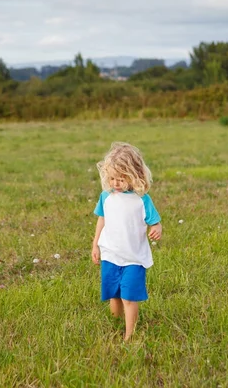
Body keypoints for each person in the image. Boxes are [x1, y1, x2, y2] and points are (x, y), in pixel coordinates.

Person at [91, 142, 162, 342]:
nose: (115, 183)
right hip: (110, 255)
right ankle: (115, 324)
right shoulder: (106, 197)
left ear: (135, 175)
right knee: (113, 294)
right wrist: (95, 244)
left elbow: (155, 222)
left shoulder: (142, 200)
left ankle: (129, 336)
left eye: (121, 179)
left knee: (129, 297)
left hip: (133, 258)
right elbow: (101, 220)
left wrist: (156, 229)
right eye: (112, 178)